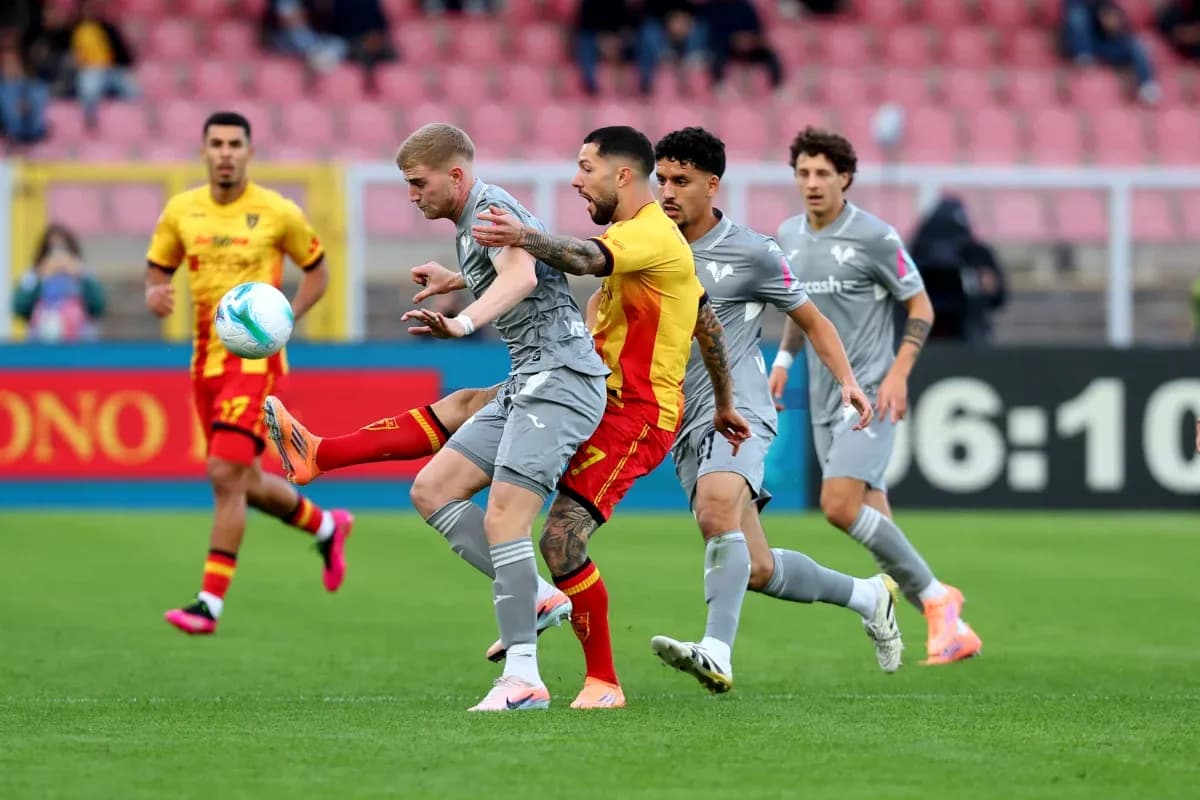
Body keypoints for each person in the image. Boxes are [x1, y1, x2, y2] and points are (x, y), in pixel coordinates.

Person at [471, 125, 751, 707]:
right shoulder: (643, 240)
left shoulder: (648, 233)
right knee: (472, 427)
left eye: (585, 168)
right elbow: (706, 322)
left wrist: (523, 235)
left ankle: (603, 682)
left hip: (636, 416)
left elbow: (581, 258)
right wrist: (725, 402)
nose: (576, 181)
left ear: (621, 175)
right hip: (599, 398)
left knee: (561, 538)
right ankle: (534, 606)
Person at [643, 127, 900, 691]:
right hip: (679, 419)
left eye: (681, 180)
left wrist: (848, 382)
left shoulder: (753, 251)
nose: (667, 191)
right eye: (661, 179)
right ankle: (868, 596)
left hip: (739, 411)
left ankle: (716, 651)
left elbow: (813, 320)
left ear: (712, 185)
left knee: (716, 510)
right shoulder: (645, 242)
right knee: (756, 568)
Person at [390, 123, 611, 712]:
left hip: (561, 378)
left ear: (455, 175)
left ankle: (523, 678)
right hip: (528, 380)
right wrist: (460, 279)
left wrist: (462, 322)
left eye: (418, 183)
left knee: (504, 518)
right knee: (433, 489)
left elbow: (522, 275)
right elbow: (514, 267)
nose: (412, 195)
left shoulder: (490, 209)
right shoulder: (473, 223)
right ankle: (535, 593)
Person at [768, 127, 982, 666]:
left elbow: (921, 306)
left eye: (823, 173)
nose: (812, 183)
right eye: (803, 173)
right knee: (876, 523)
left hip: (869, 394)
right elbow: (801, 311)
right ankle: (948, 625)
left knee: (839, 507)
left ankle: (939, 600)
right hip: (824, 396)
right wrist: (784, 361)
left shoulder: (875, 237)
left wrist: (898, 373)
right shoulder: (789, 234)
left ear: (845, 178)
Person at [145, 111, 353, 636]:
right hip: (204, 366)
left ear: (249, 152)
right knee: (242, 480)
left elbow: (319, 271)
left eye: (234, 144)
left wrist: (286, 319)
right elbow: (159, 266)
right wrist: (155, 290)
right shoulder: (181, 211)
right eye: (216, 143)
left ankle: (208, 604)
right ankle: (327, 525)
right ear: (204, 151)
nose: (225, 153)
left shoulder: (278, 212)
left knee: (223, 474)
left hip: (255, 366)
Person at [907, 195, 1006, 344]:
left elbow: (998, 297)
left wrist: (982, 286)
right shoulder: (917, 254)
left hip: (967, 334)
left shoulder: (976, 255)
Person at [13, 223, 106, 341]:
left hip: (79, 344)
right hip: (41, 344)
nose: (58, 257)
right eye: (52, 250)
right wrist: (40, 278)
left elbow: (98, 306)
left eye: (63, 249)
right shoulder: (33, 275)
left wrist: (80, 276)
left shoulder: (84, 273)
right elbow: (19, 307)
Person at [1061, 0, 1159, 104]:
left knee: (1137, 45)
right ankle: (1084, 58)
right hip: (1088, 46)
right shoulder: (1075, 8)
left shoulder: (1108, 5)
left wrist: (1114, 26)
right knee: (1077, 16)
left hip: (1108, 46)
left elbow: (1122, 29)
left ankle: (1147, 86)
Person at [70, 0, 138, 127]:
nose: (91, 11)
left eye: (93, 8)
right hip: (90, 69)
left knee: (133, 89)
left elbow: (124, 54)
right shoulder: (76, 30)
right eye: (88, 8)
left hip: (111, 69)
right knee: (89, 87)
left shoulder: (108, 28)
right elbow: (75, 57)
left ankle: (136, 123)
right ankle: (90, 118)